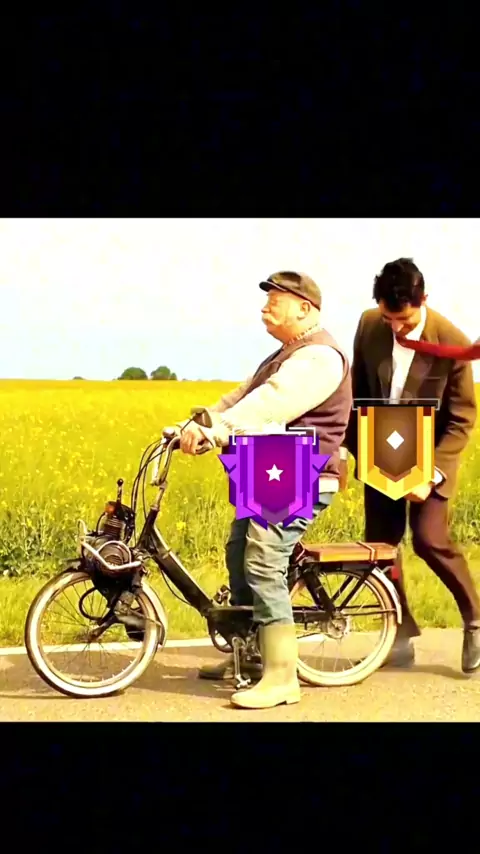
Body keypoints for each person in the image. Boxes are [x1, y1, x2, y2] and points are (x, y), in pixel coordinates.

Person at [176, 272, 353, 709]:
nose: (264, 307)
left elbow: (271, 404)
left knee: (264, 559)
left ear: (304, 308)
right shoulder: (285, 353)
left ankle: (282, 677)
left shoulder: (318, 357)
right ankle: (248, 653)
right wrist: (192, 425)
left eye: (275, 300)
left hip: (304, 472)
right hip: (275, 470)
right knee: (238, 552)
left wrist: (218, 431)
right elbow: (240, 397)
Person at [341, 257, 480, 673]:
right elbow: (357, 393)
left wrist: (430, 474)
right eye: (389, 319)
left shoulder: (452, 342)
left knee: (428, 539)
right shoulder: (369, 325)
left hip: (430, 453)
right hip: (380, 445)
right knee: (381, 545)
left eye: (404, 320)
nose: (396, 328)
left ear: (423, 300)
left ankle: (475, 621)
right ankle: (399, 634)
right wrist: (345, 449)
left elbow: (462, 419)